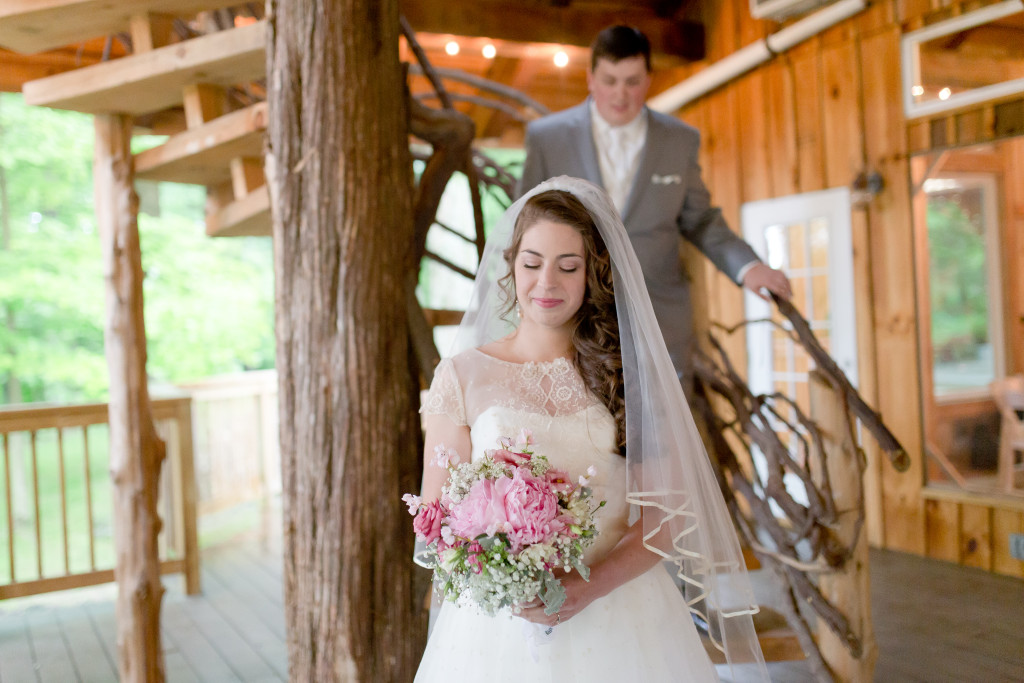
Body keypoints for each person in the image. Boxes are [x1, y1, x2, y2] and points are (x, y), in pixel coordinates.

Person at [413, 177, 767, 682]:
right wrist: (497, 562)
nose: (547, 283)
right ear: (512, 266)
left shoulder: (627, 372)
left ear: (593, 273)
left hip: (621, 612)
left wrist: (587, 588)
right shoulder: (463, 374)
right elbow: (436, 515)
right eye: (532, 263)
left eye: (568, 266)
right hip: (498, 631)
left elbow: (667, 517)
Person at [517, 26, 791, 391]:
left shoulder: (680, 140)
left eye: (632, 81)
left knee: (661, 437)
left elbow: (701, 220)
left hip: (660, 317)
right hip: (573, 314)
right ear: (590, 79)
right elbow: (523, 225)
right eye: (610, 80)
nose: (620, 93)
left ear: (648, 80)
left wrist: (749, 266)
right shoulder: (546, 138)